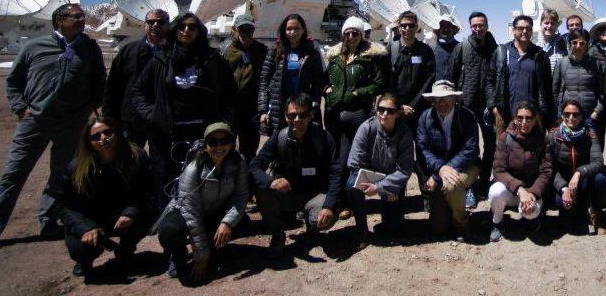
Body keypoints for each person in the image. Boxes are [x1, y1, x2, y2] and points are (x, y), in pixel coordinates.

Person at [0, 4, 106, 260]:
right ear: (59, 21)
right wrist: (20, 109)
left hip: (71, 124)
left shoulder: (89, 48)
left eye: (83, 16)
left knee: (60, 177)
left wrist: (90, 107)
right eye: (76, 17)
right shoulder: (34, 47)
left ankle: (49, 222)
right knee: (13, 174)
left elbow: (99, 81)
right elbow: (13, 81)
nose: (82, 20)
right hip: (34, 122)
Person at [131, 12, 236, 211]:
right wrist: (152, 114)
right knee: (167, 176)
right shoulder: (161, 58)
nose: (186, 30)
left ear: (199, 31)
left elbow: (230, 89)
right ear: (175, 29)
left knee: (201, 175)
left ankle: (198, 220)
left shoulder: (211, 58)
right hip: (167, 131)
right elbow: (138, 92)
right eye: (182, 26)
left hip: (203, 131)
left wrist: (223, 117)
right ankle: (169, 223)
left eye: (192, 27)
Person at [48, 114, 154, 279]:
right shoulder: (77, 168)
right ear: (88, 142)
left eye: (108, 132)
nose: (103, 138)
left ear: (116, 133)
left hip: (122, 215)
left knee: (150, 214)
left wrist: (131, 212)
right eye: (96, 136)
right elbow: (62, 205)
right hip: (91, 219)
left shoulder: (136, 156)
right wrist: (86, 227)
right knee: (80, 247)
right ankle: (84, 260)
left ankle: (126, 249)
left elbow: (147, 190)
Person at [249, 93, 344, 258]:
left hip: (315, 195)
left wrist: (329, 205)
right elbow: (254, 167)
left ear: (311, 116)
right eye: (292, 115)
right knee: (260, 187)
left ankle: (313, 227)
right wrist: (271, 182)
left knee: (325, 219)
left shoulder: (323, 138)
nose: (297, 119)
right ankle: (278, 235)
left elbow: (337, 173)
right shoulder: (279, 137)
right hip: (288, 194)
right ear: (286, 116)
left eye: (303, 115)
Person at [157, 123, 250, 285]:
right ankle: (178, 256)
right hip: (186, 212)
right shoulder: (194, 168)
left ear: (232, 142)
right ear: (205, 145)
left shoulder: (238, 162)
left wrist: (227, 222)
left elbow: (241, 196)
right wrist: (201, 257)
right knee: (169, 231)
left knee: (242, 222)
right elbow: (192, 215)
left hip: (213, 212)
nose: (219, 147)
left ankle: (214, 248)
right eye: (213, 142)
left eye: (225, 141)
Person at [345, 94, 416, 247]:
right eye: (381, 109)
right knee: (352, 184)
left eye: (390, 111)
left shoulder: (404, 133)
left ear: (398, 113)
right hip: (368, 174)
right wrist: (372, 183)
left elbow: (404, 169)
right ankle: (362, 231)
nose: (384, 114)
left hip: (392, 178)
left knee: (393, 228)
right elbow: (354, 162)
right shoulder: (366, 128)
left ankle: (390, 219)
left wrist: (383, 187)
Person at [415, 81, 481, 241]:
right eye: (437, 99)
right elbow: (423, 149)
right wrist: (440, 169)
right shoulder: (425, 117)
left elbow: (469, 151)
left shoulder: (467, 116)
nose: (441, 103)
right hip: (439, 169)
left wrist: (440, 174)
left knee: (452, 185)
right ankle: (451, 210)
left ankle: (462, 223)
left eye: (445, 98)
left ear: (454, 99)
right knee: (438, 228)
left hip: (467, 166)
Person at [449, 11, 500, 209]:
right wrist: (453, 100)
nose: (478, 28)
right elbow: (451, 74)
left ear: (487, 25)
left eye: (481, 25)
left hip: (488, 105)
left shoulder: (495, 49)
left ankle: (484, 183)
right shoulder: (462, 47)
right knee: (469, 147)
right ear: (470, 27)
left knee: (491, 146)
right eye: (474, 26)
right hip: (466, 105)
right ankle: (470, 186)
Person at [325, 16, 389, 161]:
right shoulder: (335, 56)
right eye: (347, 33)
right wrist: (327, 90)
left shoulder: (372, 57)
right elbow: (324, 79)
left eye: (355, 33)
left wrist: (357, 93)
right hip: (334, 112)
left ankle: (352, 182)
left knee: (354, 154)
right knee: (333, 153)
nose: (351, 37)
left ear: (361, 34)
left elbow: (379, 84)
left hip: (358, 112)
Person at [103, 8, 170, 147]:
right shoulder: (128, 51)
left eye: (161, 22)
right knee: (130, 161)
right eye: (151, 22)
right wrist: (109, 117)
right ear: (145, 25)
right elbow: (113, 86)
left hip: (163, 119)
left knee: (161, 164)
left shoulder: (175, 52)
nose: (155, 25)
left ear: (168, 25)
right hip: (132, 119)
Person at [488, 101, 553, 243]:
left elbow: (546, 172)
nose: (524, 122)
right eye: (520, 117)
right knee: (495, 192)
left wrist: (533, 192)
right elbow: (499, 170)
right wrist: (519, 190)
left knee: (531, 214)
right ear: (514, 119)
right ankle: (497, 222)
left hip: (531, 192)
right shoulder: (505, 138)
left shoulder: (542, 140)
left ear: (535, 119)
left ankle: (530, 218)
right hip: (511, 189)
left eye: (528, 118)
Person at [547, 100, 606, 235]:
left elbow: (598, 161)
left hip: (583, 180)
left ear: (581, 116)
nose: (571, 118)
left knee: (599, 179)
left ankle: (596, 215)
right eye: (567, 114)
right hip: (563, 182)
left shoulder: (590, 133)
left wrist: (579, 172)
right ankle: (572, 212)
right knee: (562, 205)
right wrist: (563, 188)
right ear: (562, 115)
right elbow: (550, 168)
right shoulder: (553, 136)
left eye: (575, 115)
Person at [258, 14, 326, 136]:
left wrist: (315, 104)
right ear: (284, 31)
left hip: (301, 108)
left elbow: (318, 81)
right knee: (279, 145)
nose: (292, 32)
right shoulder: (275, 50)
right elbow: (264, 80)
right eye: (289, 29)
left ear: (303, 29)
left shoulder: (311, 52)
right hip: (278, 108)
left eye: (296, 28)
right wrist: (263, 110)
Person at [494, 14, 554, 131]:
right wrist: (493, 106)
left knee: (532, 148)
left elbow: (547, 87)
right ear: (513, 30)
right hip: (507, 114)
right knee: (505, 148)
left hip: (532, 116)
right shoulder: (502, 52)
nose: (524, 31)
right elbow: (490, 80)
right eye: (520, 28)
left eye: (528, 28)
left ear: (532, 31)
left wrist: (547, 113)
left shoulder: (540, 55)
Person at [223, 14, 269, 163]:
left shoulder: (261, 50)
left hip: (252, 108)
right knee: (226, 147)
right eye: (243, 29)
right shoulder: (226, 51)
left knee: (249, 149)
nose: (247, 32)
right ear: (235, 29)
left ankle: (247, 178)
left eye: (250, 29)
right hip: (231, 109)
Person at [552, 28, 606, 141]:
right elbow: (555, 92)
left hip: (591, 115)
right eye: (574, 42)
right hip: (569, 117)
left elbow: (602, 91)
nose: (578, 46)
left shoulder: (595, 64)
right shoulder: (562, 63)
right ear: (569, 43)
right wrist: (561, 114)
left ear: (587, 45)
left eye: (582, 43)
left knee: (593, 150)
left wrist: (596, 112)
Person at [389, 11, 436, 119]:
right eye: (404, 25)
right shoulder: (391, 50)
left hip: (419, 110)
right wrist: (399, 106)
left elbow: (429, 80)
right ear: (399, 28)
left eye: (411, 25)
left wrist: (413, 105)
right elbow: (387, 81)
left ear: (416, 27)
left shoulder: (426, 50)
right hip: (396, 110)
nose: (407, 28)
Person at [432, 16, 460, 82]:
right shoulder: (431, 49)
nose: (446, 29)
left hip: (456, 90)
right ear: (438, 30)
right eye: (442, 26)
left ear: (453, 29)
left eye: (449, 26)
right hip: (436, 89)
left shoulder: (460, 48)